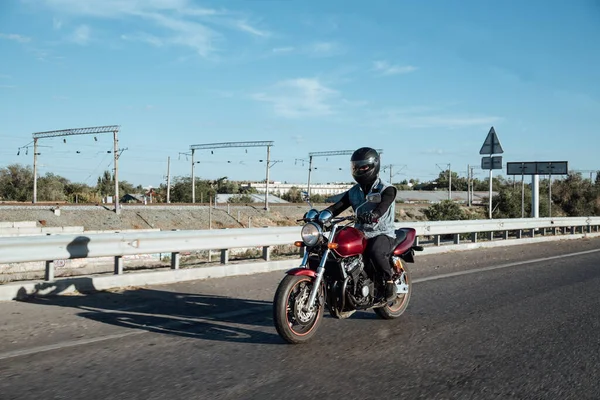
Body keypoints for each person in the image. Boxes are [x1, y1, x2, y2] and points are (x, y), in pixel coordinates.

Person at [325, 147, 398, 301]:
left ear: (374, 166)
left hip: (382, 232)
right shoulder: (354, 191)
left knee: (375, 251)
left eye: (363, 166)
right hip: (360, 233)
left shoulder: (387, 189)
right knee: (338, 250)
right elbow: (338, 206)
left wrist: (374, 215)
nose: (359, 169)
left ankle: (389, 282)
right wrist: (320, 215)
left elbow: (383, 207)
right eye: (356, 166)